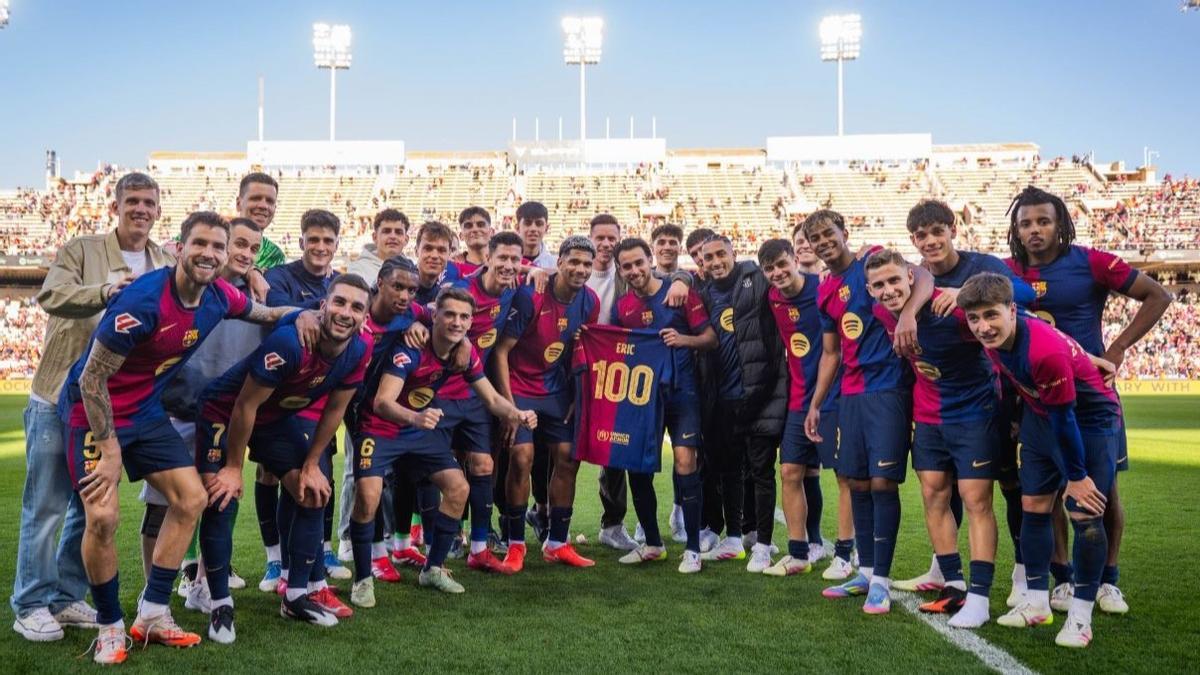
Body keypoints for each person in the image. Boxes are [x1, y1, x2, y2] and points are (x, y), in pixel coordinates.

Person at [59, 211, 303, 664]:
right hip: (93, 412)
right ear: (179, 247)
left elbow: (264, 312)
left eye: (217, 246)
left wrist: (312, 315)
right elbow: (92, 380)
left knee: (191, 499)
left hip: (146, 412)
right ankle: (110, 625)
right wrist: (110, 452)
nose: (209, 254)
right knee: (103, 517)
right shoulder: (143, 300)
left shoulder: (219, 295)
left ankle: (152, 613)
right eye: (200, 244)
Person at [12, 172, 171, 643]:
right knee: (46, 506)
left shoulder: (163, 260)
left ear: (158, 210)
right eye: (133, 201)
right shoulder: (80, 250)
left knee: (91, 507)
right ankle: (30, 603)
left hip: (111, 404)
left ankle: (65, 596)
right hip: (58, 393)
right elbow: (51, 296)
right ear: (116, 206)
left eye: (149, 202)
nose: (141, 209)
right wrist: (105, 293)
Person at [1003, 186, 1171, 615]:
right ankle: (1063, 578)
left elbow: (1159, 295)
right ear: (1015, 229)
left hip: (1092, 398)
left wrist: (1115, 351)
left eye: (1044, 221)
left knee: (1104, 490)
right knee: (1047, 490)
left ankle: (1106, 581)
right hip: (1039, 396)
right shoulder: (1006, 270)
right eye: (1026, 223)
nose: (1035, 230)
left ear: (1060, 223)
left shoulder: (1091, 262)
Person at [195, 274, 374, 639]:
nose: (346, 313)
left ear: (364, 317)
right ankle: (219, 603)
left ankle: (295, 596)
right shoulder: (291, 342)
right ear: (322, 306)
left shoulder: (360, 349)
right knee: (222, 496)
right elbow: (245, 404)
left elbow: (334, 410)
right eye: (339, 302)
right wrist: (232, 467)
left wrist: (311, 465)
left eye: (357, 307)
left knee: (312, 492)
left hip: (274, 419)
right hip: (225, 412)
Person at [958, 272, 1122, 648]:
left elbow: (1066, 420)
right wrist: (1085, 355)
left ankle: (1080, 618)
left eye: (991, 316)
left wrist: (1077, 476)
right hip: (1041, 414)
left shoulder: (1042, 352)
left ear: (1012, 311)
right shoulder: (996, 328)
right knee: (1033, 504)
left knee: (1084, 512)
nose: (983, 327)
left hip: (1088, 419)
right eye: (975, 319)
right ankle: (1035, 603)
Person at [351, 287, 536, 597]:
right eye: (449, 314)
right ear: (434, 315)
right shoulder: (411, 348)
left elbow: (490, 397)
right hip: (380, 428)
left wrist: (517, 413)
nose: (457, 322)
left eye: (464, 317)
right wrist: (416, 418)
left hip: (417, 431)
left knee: (459, 487)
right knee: (368, 497)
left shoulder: (465, 351)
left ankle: (433, 569)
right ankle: (362, 579)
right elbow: (383, 402)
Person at [895, 198, 1036, 602]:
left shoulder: (981, 265)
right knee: (941, 488)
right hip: (937, 406)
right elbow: (909, 281)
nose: (931, 241)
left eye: (937, 232)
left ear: (952, 230)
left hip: (995, 396)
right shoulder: (913, 277)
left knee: (1010, 485)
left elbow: (1024, 295)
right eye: (922, 235)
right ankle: (945, 571)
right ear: (913, 240)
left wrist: (966, 293)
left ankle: (1023, 573)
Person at [801, 209, 932, 614]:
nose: (824, 242)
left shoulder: (872, 260)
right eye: (815, 237)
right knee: (855, 481)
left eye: (829, 233)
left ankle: (882, 580)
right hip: (850, 395)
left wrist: (909, 312)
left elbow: (922, 276)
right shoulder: (825, 292)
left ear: (844, 232)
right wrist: (816, 403)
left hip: (889, 389)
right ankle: (867, 570)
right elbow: (830, 352)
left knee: (881, 484)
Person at [865, 249, 1000, 628]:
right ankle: (953, 585)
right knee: (933, 495)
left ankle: (980, 596)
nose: (889, 290)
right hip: (927, 418)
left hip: (973, 415)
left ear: (911, 277)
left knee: (976, 501)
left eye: (895, 280)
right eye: (879, 284)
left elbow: (1004, 329)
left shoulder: (949, 309)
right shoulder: (879, 312)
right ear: (870, 290)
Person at [153, 218, 265, 613]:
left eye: (254, 248)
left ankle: (201, 583)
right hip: (176, 410)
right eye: (239, 244)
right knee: (161, 504)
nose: (245, 254)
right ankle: (154, 594)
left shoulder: (256, 296)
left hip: (223, 418)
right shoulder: (196, 287)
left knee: (217, 500)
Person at [492, 236, 601, 571]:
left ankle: (557, 543)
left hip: (556, 392)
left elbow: (583, 351)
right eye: (574, 262)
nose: (581, 269)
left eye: (586, 263)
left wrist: (576, 395)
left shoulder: (590, 301)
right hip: (520, 388)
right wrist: (509, 408)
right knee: (522, 457)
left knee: (568, 458)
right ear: (561, 262)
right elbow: (500, 351)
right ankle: (515, 544)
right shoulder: (532, 295)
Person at [611, 238, 716, 574]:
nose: (634, 270)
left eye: (639, 262)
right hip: (642, 397)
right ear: (620, 270)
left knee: (686, 461)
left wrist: (683, 339)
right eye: (626, 266)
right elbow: (616, 349)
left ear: (649, 259)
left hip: (682, 393)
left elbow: (710, 338)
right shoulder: (623, 306)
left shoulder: (678, 292)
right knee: (637, 466)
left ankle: (693, 549)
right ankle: (653, 544)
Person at [259, 209, 349, 588]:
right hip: (278, 396)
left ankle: (313, 560)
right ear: (301, 242)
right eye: (313, 239)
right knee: (278, 477)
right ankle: (277, 561)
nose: (321, 247)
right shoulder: (279, 277)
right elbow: (274, 313)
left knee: (316, 475)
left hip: (319, 397)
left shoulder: (342, 283)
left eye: (328, 241)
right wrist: (305, 314)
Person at [694, 234, 788, 572]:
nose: (717, 261)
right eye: (709, 257)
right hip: (722, 399)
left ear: (734, 253)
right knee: (728, 470)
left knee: (761, 472)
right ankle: (734, 537)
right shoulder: (703, 294)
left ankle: (762, 543)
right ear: (701, 263)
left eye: (722, 254)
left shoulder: (757, 279)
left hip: (760, 394)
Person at [435, 231, 522, 575]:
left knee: (484, 465)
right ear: (488, 257)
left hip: (476, 394)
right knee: (438, 469)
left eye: (516, 260)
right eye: (502, 258)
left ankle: (481, 547)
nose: (509, 265)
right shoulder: (461, 289)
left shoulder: (515, 289)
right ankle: (431, 540)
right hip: (441, 393)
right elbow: (431, 314)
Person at [759, 239, 847, 578]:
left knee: (844, 477)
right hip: (798, 400)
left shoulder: (823, 288)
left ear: (796, 259)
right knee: (791, 472)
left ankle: (843, 553)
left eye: (782, 264)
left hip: (834, 397)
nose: (778, 273)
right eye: (770, 269)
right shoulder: (773, 297)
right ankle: (798, 553)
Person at [337, 208, 412, 564]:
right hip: (344, 392)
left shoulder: (409, 293)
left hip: (377, 392)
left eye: (400, 231)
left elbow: (428, 312)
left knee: (381, 470)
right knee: (356, 467)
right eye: (387, 230)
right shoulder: (358, 277)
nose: (393, 236)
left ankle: (379, 538)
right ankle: (348, 536)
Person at [236, 172, 287, 270]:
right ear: (239, 203)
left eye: (270, 201)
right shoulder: (217, 242)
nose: (263, 206)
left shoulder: (275, 256)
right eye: (255, 198)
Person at [515, 201, 557, 269]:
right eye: (527, 223)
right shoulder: (507, 261)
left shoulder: (554, 265)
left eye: (539, 224)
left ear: (546, 228)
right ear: (517, 227)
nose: (533, 229)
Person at [453, 206, 494, 275]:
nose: (475, 229)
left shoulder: (505, 266)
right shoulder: (453, 267)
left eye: (481, 225)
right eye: (468, 226)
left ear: (491, 232)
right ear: (461, 235)